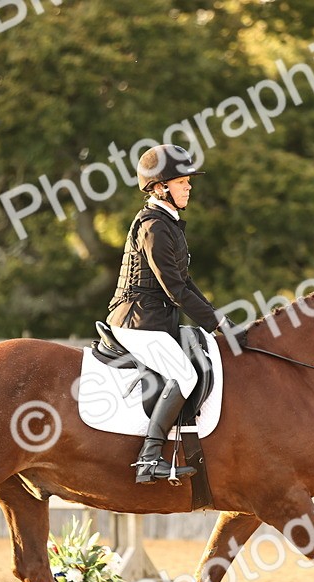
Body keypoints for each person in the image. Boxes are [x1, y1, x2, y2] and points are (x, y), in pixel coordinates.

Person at [106, 143, 233, 484]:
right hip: (138, 322)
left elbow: (186, 282)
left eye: (188, 182)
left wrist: (218, 319)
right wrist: (215, 321)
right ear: (161, 187)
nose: (189, 187)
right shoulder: (154, 227)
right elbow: (173, 290)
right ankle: (149, 458)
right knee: (186, 376)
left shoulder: (170, 223)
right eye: (182, 182)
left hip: (155, 322)